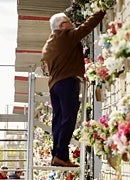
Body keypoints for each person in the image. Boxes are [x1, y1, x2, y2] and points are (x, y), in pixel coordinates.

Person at [42, 10, 106, 167]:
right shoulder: (66, 36)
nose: (72, 25)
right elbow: (86, 28)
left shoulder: (49, 44)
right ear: (63, 26)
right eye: (69, 22)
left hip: (54, 85)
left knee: (58, 121)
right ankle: (61, 156)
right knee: (69, 118)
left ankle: (56, 155)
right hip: (67, 83)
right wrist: (101, 11)